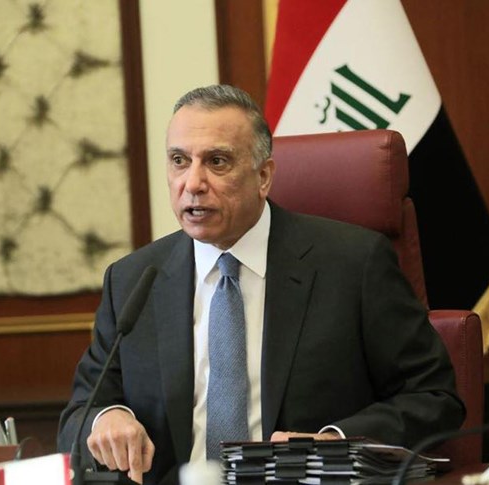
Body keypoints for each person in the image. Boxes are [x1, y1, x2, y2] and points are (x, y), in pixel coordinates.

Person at [58, 84, 464, 484]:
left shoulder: (353, 264)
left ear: (264, 176)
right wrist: (107, 418)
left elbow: (432, 396)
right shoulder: (133, 279)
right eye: (179, 160)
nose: (192, 183)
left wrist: (334, 445)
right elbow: (81, 411)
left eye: (217, 161)